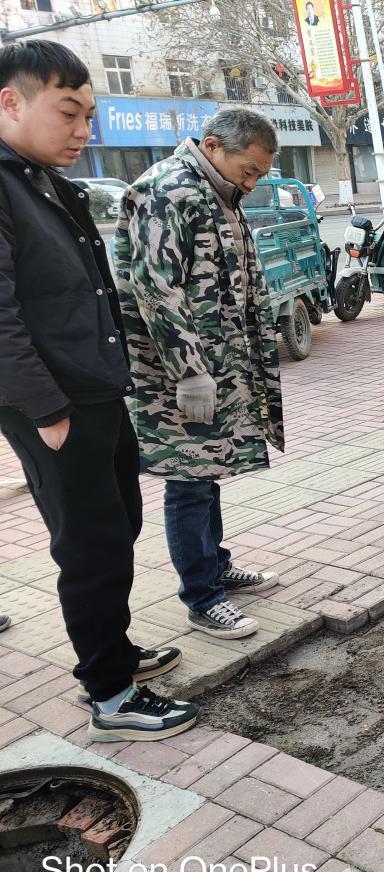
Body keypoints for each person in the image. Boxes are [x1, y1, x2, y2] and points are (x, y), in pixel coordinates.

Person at [0, 40, 195, 742]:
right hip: (54, 402)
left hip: (95, 390)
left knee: (119, 527)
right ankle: (110, 695)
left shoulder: (49, 182)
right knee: (88, 545)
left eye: (90, 115)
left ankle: (114, 652)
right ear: (9, 102)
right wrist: (45, 410)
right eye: (69, 113)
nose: (85, 131)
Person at [114, 107, 284, 640]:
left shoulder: (216, 192)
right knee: (188, 479)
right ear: (213, 145)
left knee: (209, 470)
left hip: (218, 362)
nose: (252, 183)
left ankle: (216, 565)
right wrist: (189, 372)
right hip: (176, 372)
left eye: (260, 174)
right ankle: (201, 596)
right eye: (249, 170)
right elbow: (154, 290)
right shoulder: (166, 191)